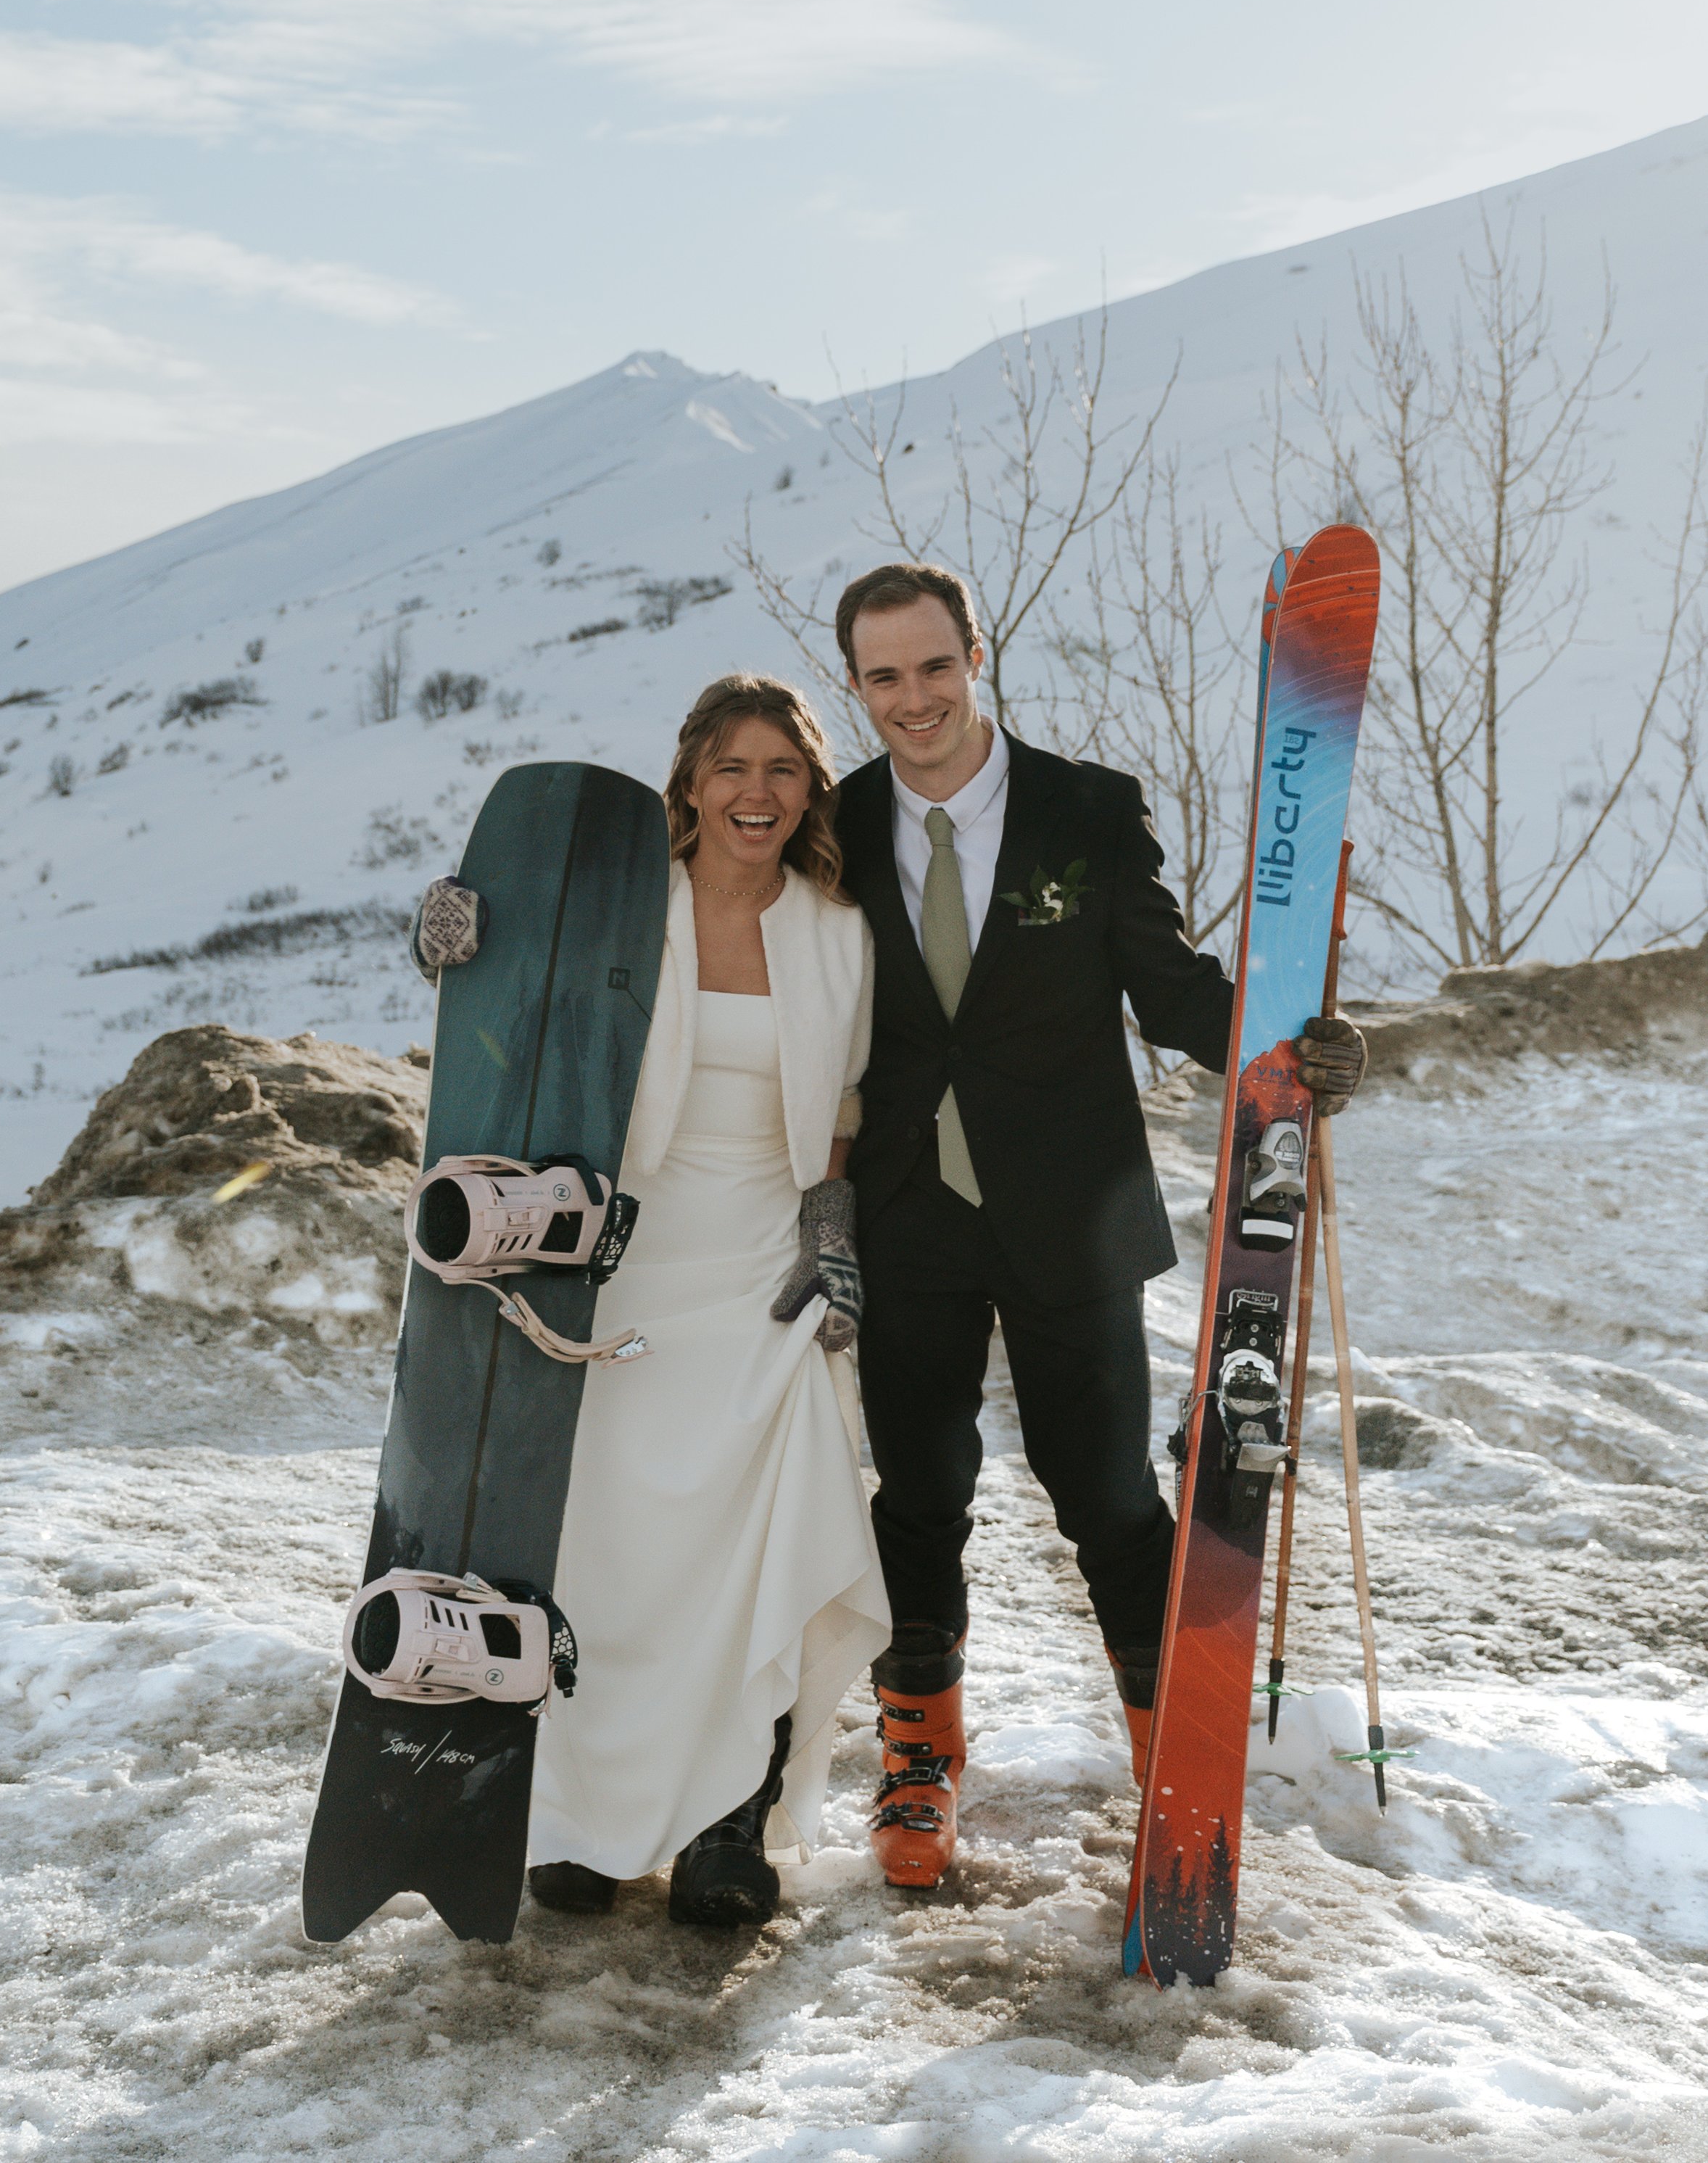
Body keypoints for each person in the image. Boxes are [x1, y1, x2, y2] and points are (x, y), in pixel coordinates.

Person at [829, 561, 1367, 1887]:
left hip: (1068, 1209)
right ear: (856, 685)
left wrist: (1289, 1047)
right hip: (909, 1212)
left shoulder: (1085, 806)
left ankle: (1164, 1759)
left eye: (935, 666)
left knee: (1108, 1492)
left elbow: (1171, 989)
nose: (916, 699)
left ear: (976, 653)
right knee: (920, 1495)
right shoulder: (828, 824)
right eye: (884, 677)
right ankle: (918, 1759)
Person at [410, 674, 888, 1928]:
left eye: (783, 768)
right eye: (731, 766)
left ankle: (732, 1824)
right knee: (608, 1548)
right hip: (619, 1254)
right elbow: (505, 1004)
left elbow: (846, 1107)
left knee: (756, 1537)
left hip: (763, 1263)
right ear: (687, 780)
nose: (756, 792)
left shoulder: (839, 927)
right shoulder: (629, 908)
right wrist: (450, 936)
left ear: (811, 788)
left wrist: (829, 1231)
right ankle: (585, 1825)